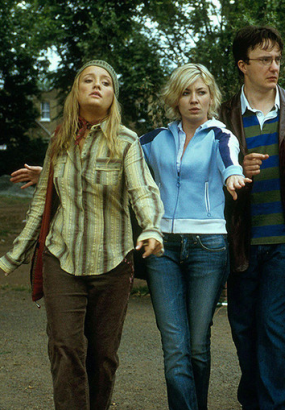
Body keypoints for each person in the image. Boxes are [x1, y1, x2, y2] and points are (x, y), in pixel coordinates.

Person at [0, 60, 164, 410]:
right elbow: (41, 203)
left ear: (112, 95)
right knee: (65, 347)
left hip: (112, 263)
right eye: (88, 80)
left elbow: (143, 191)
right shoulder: (60, 139)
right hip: (62, 258)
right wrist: (11, 258)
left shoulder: (126, 141)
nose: (96, 85)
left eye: (105, 82)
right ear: (76, 91)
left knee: (103, 356)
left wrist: (151, 226)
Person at [218, 25, 285, 410]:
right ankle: (254, 401)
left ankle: (272, 405)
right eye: (265, 59)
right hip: (240, 241)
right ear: (242, 65)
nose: (274, 66)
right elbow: (208, 180)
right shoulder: (223, 115)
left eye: (278, 59)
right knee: (244, 328)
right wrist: (235, 169)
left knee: (272, 325)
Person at [139, 63, 250, 410]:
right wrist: (50, 171)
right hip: (162, 248)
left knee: (197, 346)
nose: (194, 99)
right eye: (186, 92)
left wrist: (233, 176)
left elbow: (230, 162)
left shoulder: (221, 135)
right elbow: (116, 161)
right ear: (175, 98)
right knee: (175, 348)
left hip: (208, 246)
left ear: (211, 97)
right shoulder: (155, 139)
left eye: (201, 92)